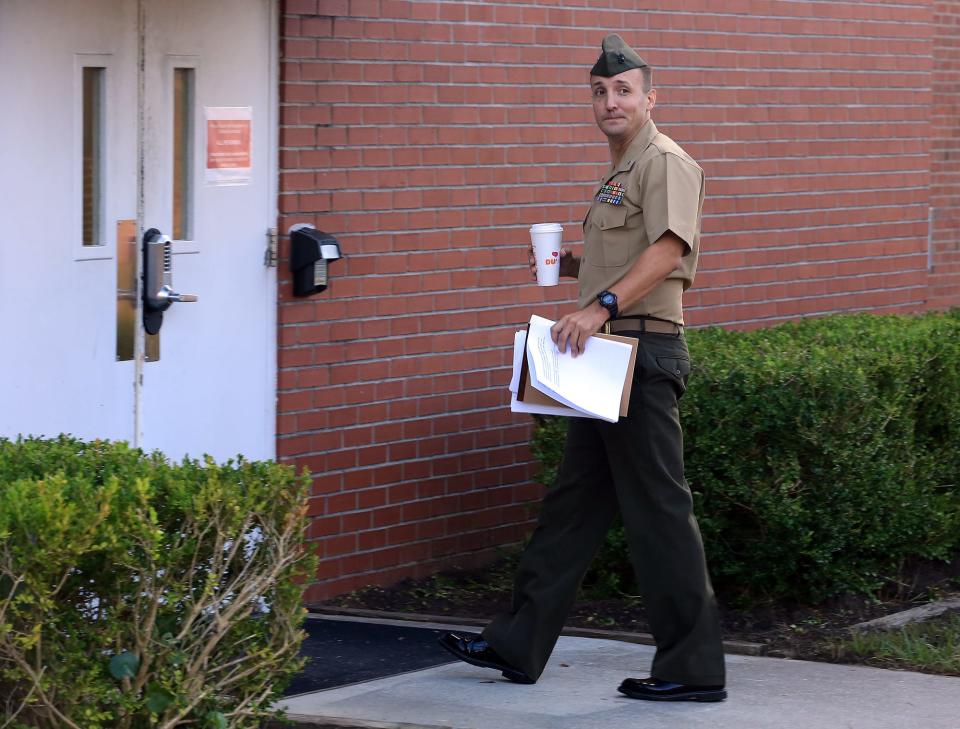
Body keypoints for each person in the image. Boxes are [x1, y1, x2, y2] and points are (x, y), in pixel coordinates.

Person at [438, 34, 727, 703]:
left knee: (659, 512)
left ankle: (695, 666)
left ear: (650, 98)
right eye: (599, 91)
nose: (609, 101)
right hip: (605, 360)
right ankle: (516, 639)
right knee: (572, 507)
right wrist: (577, 266)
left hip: (639, 351)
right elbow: (630, 254)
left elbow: (671, 249)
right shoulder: (621, 170)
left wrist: (599, 304)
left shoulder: (665, 160)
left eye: (623, 90)